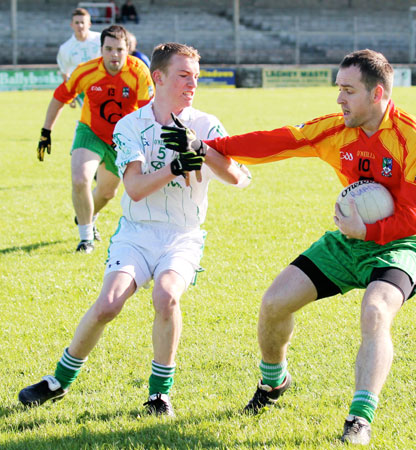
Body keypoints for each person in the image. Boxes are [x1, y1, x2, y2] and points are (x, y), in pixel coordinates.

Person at [161, 49, 416, 444]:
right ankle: (274, 382)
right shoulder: (335, 129)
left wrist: (367, 232)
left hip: (401, 244)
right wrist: (206, 146)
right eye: (338, 89)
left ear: (377, 94)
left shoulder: (412, 137)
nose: (339, 99)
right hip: (348, 239)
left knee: (375, 311)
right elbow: (275, 141)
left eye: (348, 90)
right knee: (274, 303)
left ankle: (359, 418)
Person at [19, 42, 251, 416]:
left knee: (166, 296)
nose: (192, 83)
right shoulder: (130, 125)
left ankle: (159, 395)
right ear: (157, 78)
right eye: (183, 76)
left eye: (196, 76)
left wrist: (202, 149)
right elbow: (136, 189)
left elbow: (240, 179)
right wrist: (177, 167)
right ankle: (58, 381)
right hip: (137, 233)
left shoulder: (206, 124)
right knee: (109, 304)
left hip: (182, 235)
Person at [36, 25, 153, 254]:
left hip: (123, 139)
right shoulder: (85, 71)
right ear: (101, 49)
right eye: (108, 49)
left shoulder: (139, 72)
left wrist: (147, 146)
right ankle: (86, 238)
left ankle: (87, 216)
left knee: (106, 193)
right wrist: (45, 132)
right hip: (90, 133)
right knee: (80, 179)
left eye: (119, 49)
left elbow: (149, 113)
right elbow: (60, 97)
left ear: (128, 49)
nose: (114, 55)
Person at [57, 8, 101, 108]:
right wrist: (70, 95)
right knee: (89, 116)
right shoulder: (65, 48)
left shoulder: (101, 40)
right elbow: (65, 73)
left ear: (89, 24)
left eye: (83, 22)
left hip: (102, 86)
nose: (80, 26)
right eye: (77, 22)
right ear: (71, 25)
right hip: (82, 91)